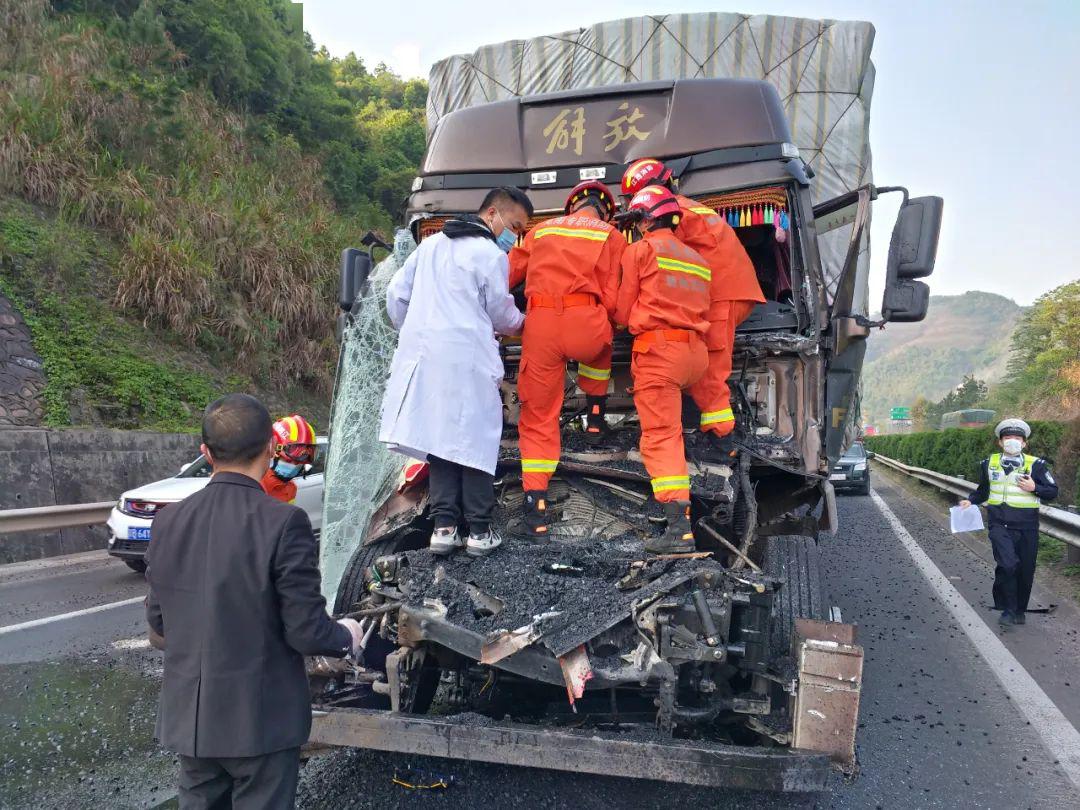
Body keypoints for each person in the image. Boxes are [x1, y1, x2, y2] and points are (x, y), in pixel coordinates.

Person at [146, 394, 364, 809]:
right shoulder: (284, 521)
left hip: (191, 723)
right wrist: (345, 636)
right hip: (261, 723)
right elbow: (305, 631)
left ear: (205, 452)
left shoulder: (167, 520)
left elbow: (160, 627)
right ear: (269, 447)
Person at [380, 186, 533, 557]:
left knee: (441, 444)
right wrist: (530, 323)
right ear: (492, 214)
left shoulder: (429, 247)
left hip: (426, 361)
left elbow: (395, 297)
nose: (513, 236)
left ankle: (444, 529)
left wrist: (418, 332)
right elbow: (501, 313)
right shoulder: (489, 255)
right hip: (467, 363)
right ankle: (480, 531)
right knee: (476, 444)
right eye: (514, 225)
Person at [621, 158, 764, 450]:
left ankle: (722, 439)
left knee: (710, 369)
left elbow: (659, 257)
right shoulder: (686, 207)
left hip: (720, 294)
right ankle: (715, 430)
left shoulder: (673, 215)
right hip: (727, 289)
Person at [508, 180, 625, 535]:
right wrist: (611, 323)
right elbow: (614, 296)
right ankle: (594, 416)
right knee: (601, 345)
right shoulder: (611, 235)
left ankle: (536, 507)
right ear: (605, 210)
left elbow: (508, 274)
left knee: (539, 414)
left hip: (541, 323)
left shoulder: (541, 231)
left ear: (570, 207)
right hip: (585, 321)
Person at [615, 185, 711, 553]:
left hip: (661, 352)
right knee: (676, 428)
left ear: (649, 219)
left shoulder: (641, 251)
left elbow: (623, 314)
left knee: (660, 436)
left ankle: (678, 530)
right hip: (695, 355)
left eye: (638, 220)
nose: (637, 227)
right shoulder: (697, 260)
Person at [959, 418, 1058, 627]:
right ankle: (1007, 609)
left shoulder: (1036, 465)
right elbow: (983, 490)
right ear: (1000, 442)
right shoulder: (988, 464)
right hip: (999, 524)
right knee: (1008, 564)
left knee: (1025, 569)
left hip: (1027, 527)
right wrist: (971, 500)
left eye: (1017, 438)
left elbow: (1053, 491)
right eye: (1007, 438)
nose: (1012, 441)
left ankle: (1019, 609)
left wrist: (1035, 488)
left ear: (1024, 443)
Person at [260, 414, 317, 503]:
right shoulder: (253, 485)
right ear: (273, 449)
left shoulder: (291, 489)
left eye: (300, 461)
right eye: (289, 460)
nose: (295, 465)